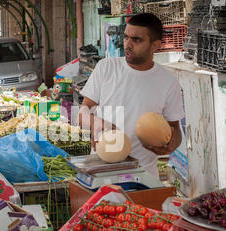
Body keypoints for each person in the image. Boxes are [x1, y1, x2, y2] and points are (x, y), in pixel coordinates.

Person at [78, 13, 184, 178]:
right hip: (102, 170)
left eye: (137, 40)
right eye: (126, 37)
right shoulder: (106, 67)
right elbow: (83, 112)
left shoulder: (168, 81)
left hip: (144, 174)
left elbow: (174, 128)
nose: (127, 44)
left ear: (155, 45)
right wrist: (95, 122)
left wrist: (171, 145)